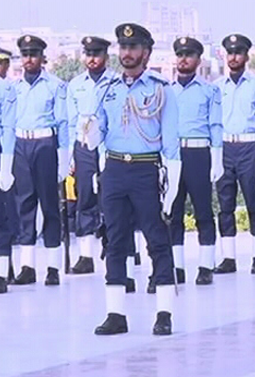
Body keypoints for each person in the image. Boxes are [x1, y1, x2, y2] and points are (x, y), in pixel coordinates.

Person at [88, 23, 181, 336]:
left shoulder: (160, 89)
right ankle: (116, 313)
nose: (126, 53)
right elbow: (97, 132)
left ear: (146, 52)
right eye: (123, 48)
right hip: (114, 168)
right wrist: (88, 132)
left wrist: (173, 183)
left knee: (157, 239)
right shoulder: (107, 88)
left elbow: (170, 142)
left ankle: (164, 312)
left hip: (145, 169)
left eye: (133, 48)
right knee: (114, 240)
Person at [11, 35, 69, 286]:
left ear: (42, 57)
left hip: (45, 145)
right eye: (25, 54)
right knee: (24, 205)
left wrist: (64, 155)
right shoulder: (14, 88)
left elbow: (63, 123)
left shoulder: (55, 85)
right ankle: (27, 266)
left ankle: (53, 267)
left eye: (33, 54)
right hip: (21, 144)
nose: (28, 59)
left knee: (49, 205)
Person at [168, 37, 223, 286]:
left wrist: (217, 157)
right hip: (173, 155)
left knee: (203, 211)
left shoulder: (209, 90)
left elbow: (215, 125)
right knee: (173, 211)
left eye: (189, 54)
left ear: (198, 60)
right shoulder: (167, 90)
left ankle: (205, 265)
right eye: (180, 54)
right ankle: (177, 266)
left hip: (199, 153)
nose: (183, 59)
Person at [213, 34, 255, 274]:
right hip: (225, 147)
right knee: (225, 204)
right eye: (230, 52)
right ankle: (229, 258)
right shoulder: (216, 87)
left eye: (238, 52)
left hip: (249, 146)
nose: (234, 57)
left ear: (246, 56)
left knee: (254, 202)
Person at [66, 36, 116, 275]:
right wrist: (69, 156)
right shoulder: (75, 84)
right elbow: (70, 122)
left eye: (97, 53)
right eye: (88, 53)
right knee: (84, 197)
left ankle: (118, 248)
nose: (92, 59)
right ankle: (86, 255)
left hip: (110, 145)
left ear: (106, 56)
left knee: (113, 198)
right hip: (84, 146)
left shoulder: (116, 82)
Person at [0, 69, 15, 293]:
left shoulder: (5, 88)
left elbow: (9, 128)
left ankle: (1, 273)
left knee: (1, 220)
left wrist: (6, 163)